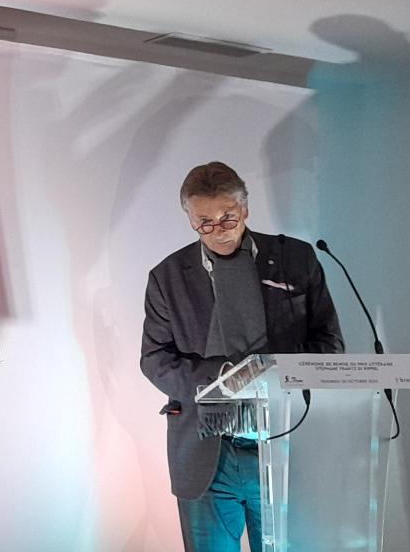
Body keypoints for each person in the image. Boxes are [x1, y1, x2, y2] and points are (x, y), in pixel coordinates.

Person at [140, 162, 343, 552]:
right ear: (190, 220)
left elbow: (329, 344)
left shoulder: (296, 259)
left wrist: (272, 374)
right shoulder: (167, 277)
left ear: (245, 209)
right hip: (206, 452)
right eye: (204, 222)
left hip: (284, 444)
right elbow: (154, 360)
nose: (218, 230)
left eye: (227, 217)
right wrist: (223, 376)